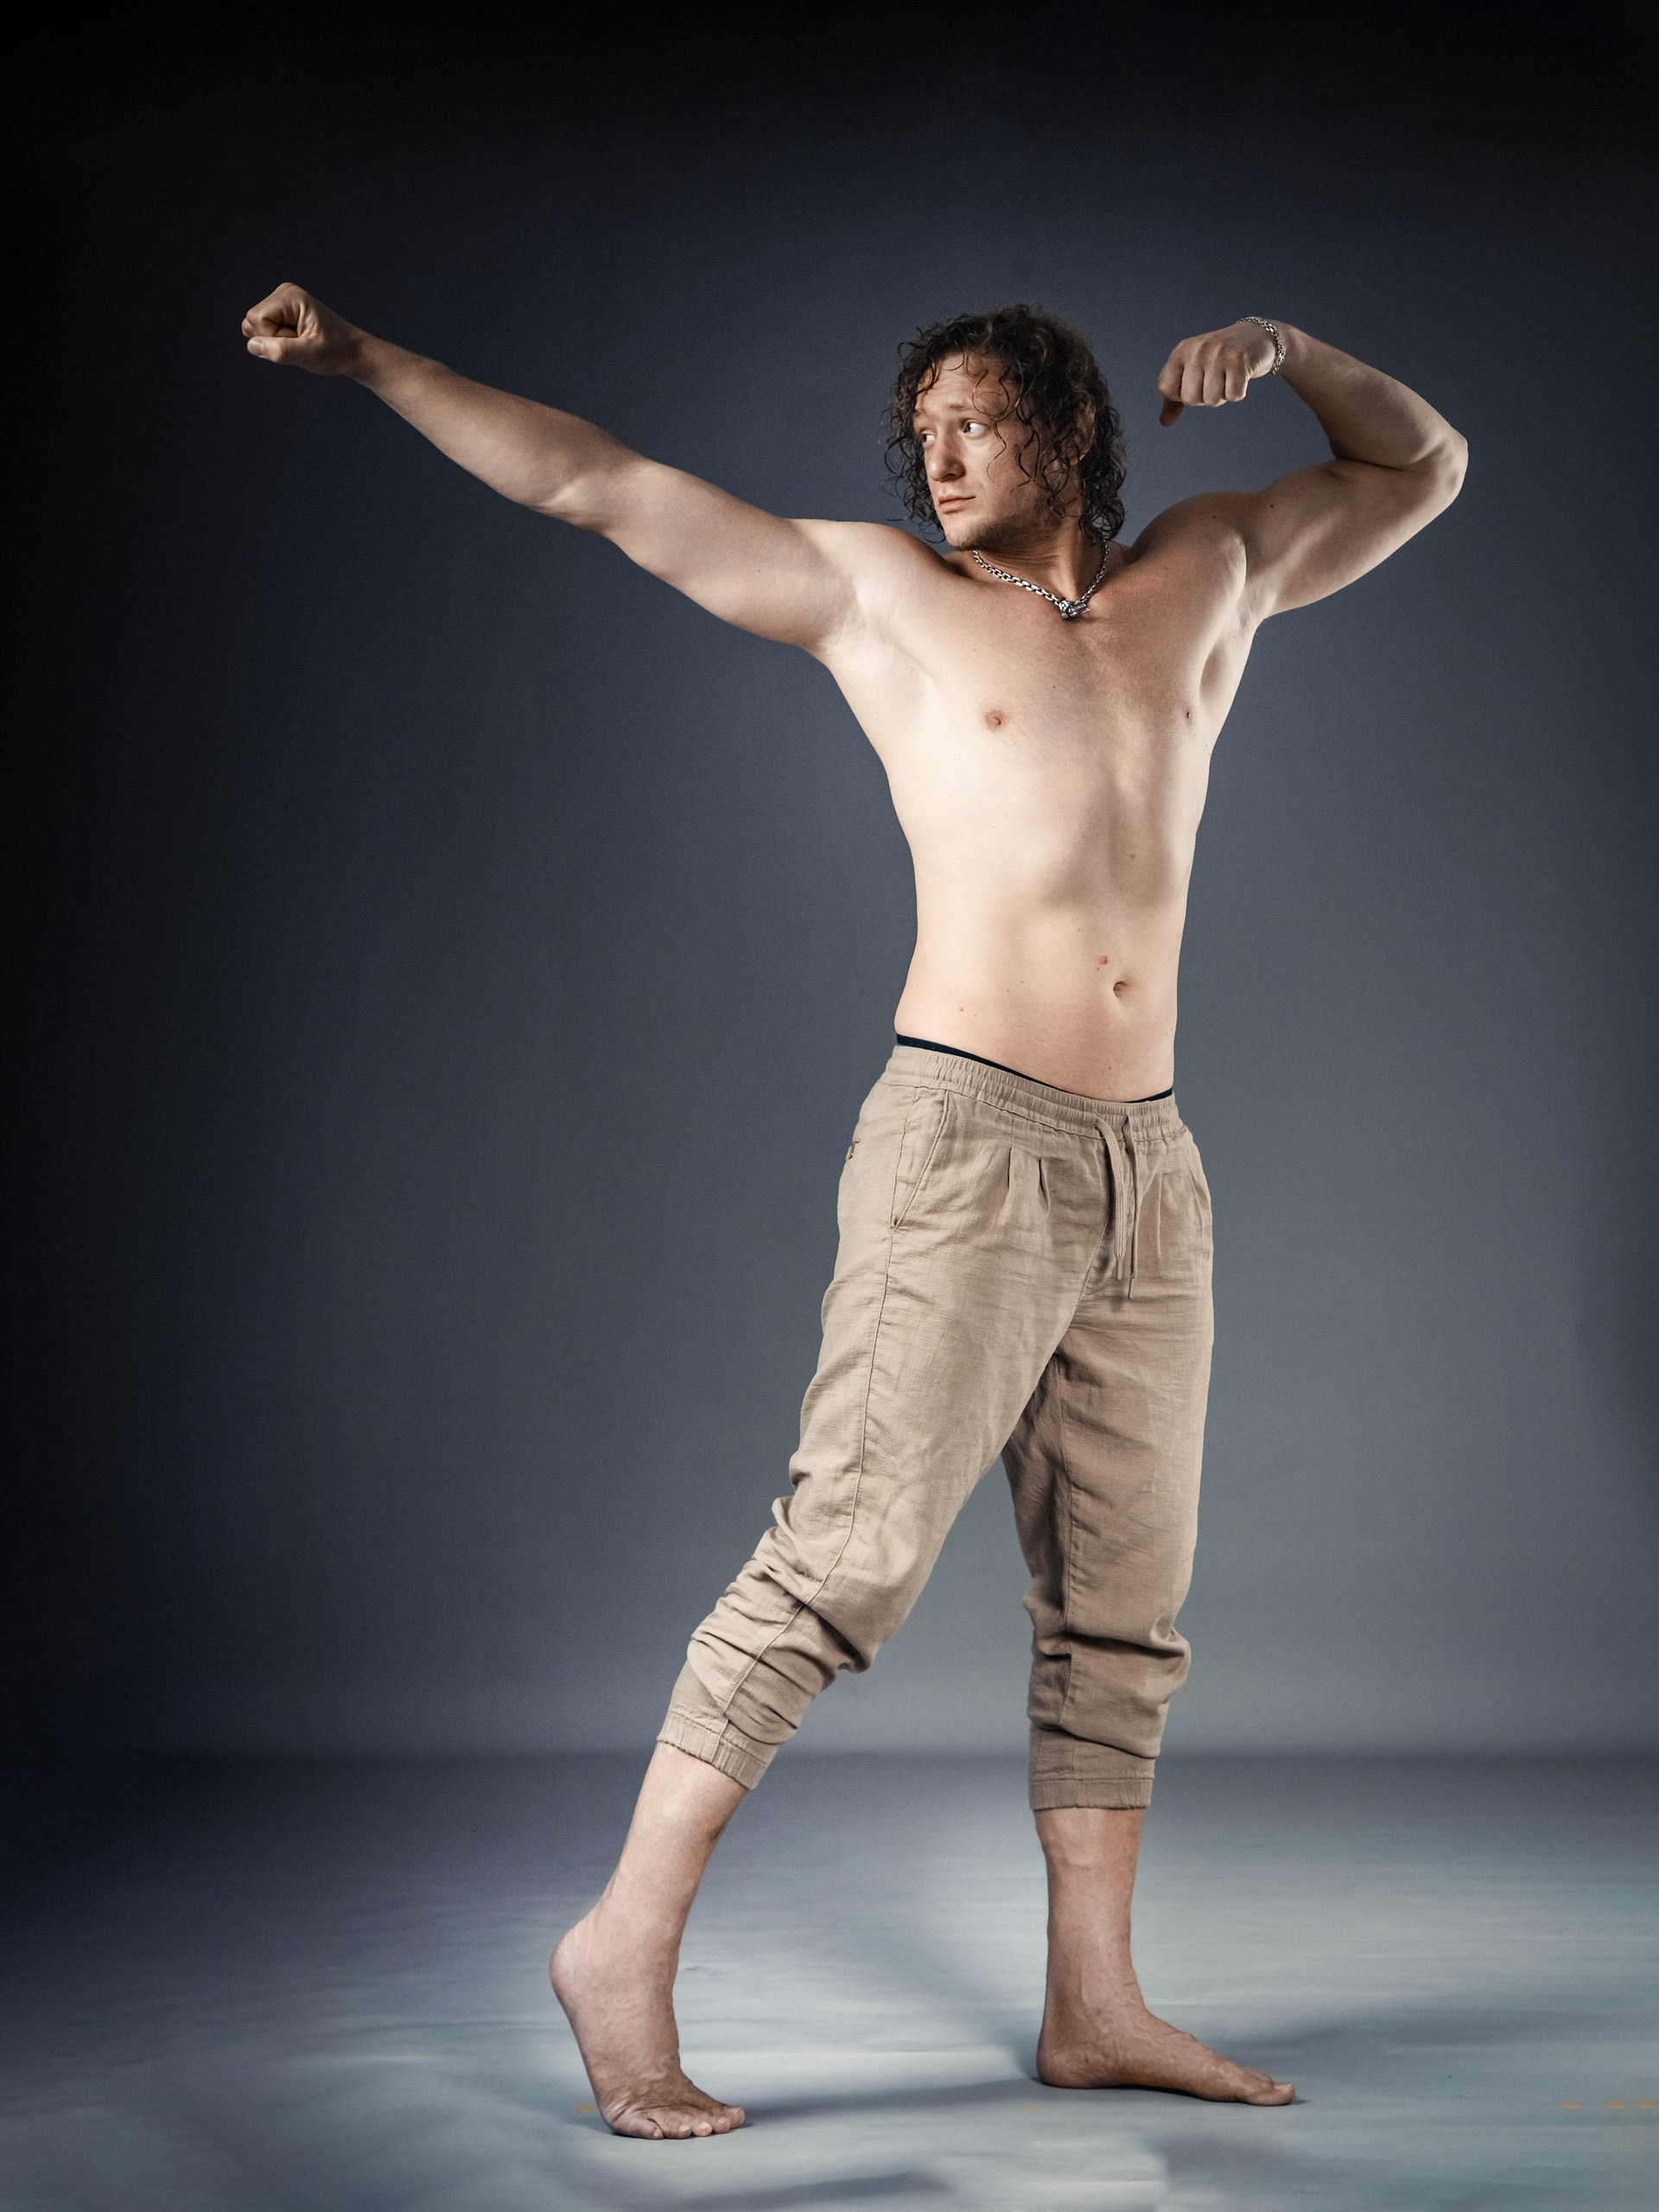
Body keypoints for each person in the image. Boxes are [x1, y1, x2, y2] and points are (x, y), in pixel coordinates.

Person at [243, 282, 1465, 2137]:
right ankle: (619, 1944)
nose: (939, 457)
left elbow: (1422, 463)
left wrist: (1293, 351)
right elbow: (596, 484)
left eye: (974, 422)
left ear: (1066, 427)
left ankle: (1096, 2002)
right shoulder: (881, 596)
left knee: (1126, 1608)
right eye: (925, 432)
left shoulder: (1212, 571)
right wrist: (369, 360)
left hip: (1151, 1163)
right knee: (843, 1557)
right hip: (966, 1144)